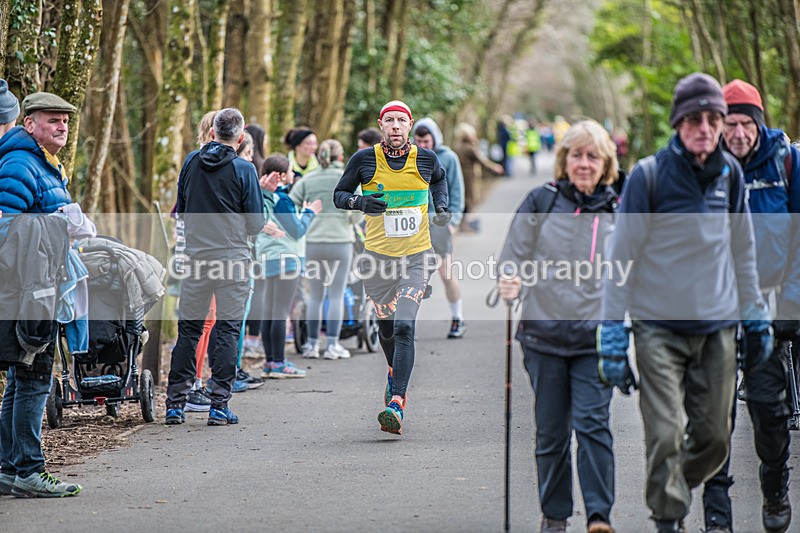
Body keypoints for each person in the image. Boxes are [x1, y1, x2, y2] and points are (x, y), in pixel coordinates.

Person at [598, 73, 770, 533]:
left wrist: (755, 317)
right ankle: (669, 519)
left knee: (714, 439)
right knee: (665, 435)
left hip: (718, 328)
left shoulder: (730, 175)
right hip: (658, 329)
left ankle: (670, 490)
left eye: (714, 118)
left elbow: (743, 251)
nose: (707, 128)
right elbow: (620, 260)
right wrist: (612, 333)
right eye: (695, 118)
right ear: (677, 123)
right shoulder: (648, 177)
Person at [497, 120, 619, 533]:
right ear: (564, 160)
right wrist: (509, 279)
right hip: (543, 336)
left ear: (606, 164)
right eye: (576, 155)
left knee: (593, 426)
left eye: (592, 156)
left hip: (596, 339)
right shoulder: (541, 201)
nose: (584, 163)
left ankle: (599, 516)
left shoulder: (621, 207)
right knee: (550, 434)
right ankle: (555, 517)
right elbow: (512, 253)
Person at [701, 79, 799, 533]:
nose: (737, 133)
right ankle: (716, 515)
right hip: (714, 309)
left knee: (770, 414)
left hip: (768, 306)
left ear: (760, 123)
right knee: (712, 419)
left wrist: (791, 305)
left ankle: (774, 486)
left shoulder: (787, 163)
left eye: (746, 123)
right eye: (729, 123)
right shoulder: (700, 167)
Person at [333, 100, 449, 435]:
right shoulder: (364, 160)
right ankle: (392, 371)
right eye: (389, 121)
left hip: (416, 256)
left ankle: (396, 401)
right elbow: (339, 194)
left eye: (401, 120)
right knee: (386, 330)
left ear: (409, 124)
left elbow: (439, 181)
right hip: (378, 259)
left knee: (404, 326)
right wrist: (360, 202)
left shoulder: (426, 159)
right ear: (381, 125)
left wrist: (440, 206)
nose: (395, 126)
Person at [0, 89, 83, 497]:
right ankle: (30, 471)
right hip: (27, 289)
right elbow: (5, 227)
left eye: (65, 120)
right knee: (33, 379)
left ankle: (10, 469)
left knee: (22, 378)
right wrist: (59, 224)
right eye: (53, 119)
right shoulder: (19, 163)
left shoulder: (43, 163)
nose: (62, 126)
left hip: (38, 283)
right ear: (29, 124)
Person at [166, 108, 265, 426]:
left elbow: (180, 210)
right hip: (232, 260)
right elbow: (256, 223)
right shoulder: (244, 169)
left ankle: (174, 404)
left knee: (189, 330)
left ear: (212, 133)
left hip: (197, 258)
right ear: (241, 135)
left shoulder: (191, 162)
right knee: (227, 330)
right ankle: (219, 404)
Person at [290, 140, 363, 359]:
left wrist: (305, 219)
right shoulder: (347, 178)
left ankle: (312, 345)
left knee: (316, 296)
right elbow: (358, 211)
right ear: (340, 157)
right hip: (340, 242)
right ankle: (332, 345)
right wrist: (349, 220)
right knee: (336, 295)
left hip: (313, 242)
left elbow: (291, 203)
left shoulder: (308, 180)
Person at [254, 155, 321, 378]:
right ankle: (278, 362)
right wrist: (310, 212)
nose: (294, 175)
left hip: (267, 258)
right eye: (291, 171)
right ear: (282, 175)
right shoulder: (281, 199)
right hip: (286, 259)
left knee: (269, 311)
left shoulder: (261, 198)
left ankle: (269, 362)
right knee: (280, 312)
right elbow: (297, 230)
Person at [412, 117, 467, 338]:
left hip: (439, 223)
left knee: (446, 273)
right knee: (413, 276)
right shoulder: (409, 158)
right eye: (418, 141)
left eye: (426, 141)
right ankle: (409, 324)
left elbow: (457, 192)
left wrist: (453, 222)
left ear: (435, 138)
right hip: (415, 222)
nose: (423, 145)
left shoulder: (448, 158)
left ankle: (458, 318)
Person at [453, 122, 503, 233]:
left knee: (464, 200)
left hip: (461, 176)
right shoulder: (470, 148)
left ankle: (462, 224)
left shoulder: (458, 146)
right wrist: (494, 168)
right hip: (469, 178)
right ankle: (463, 225)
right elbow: (482, 160)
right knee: (468, 201)